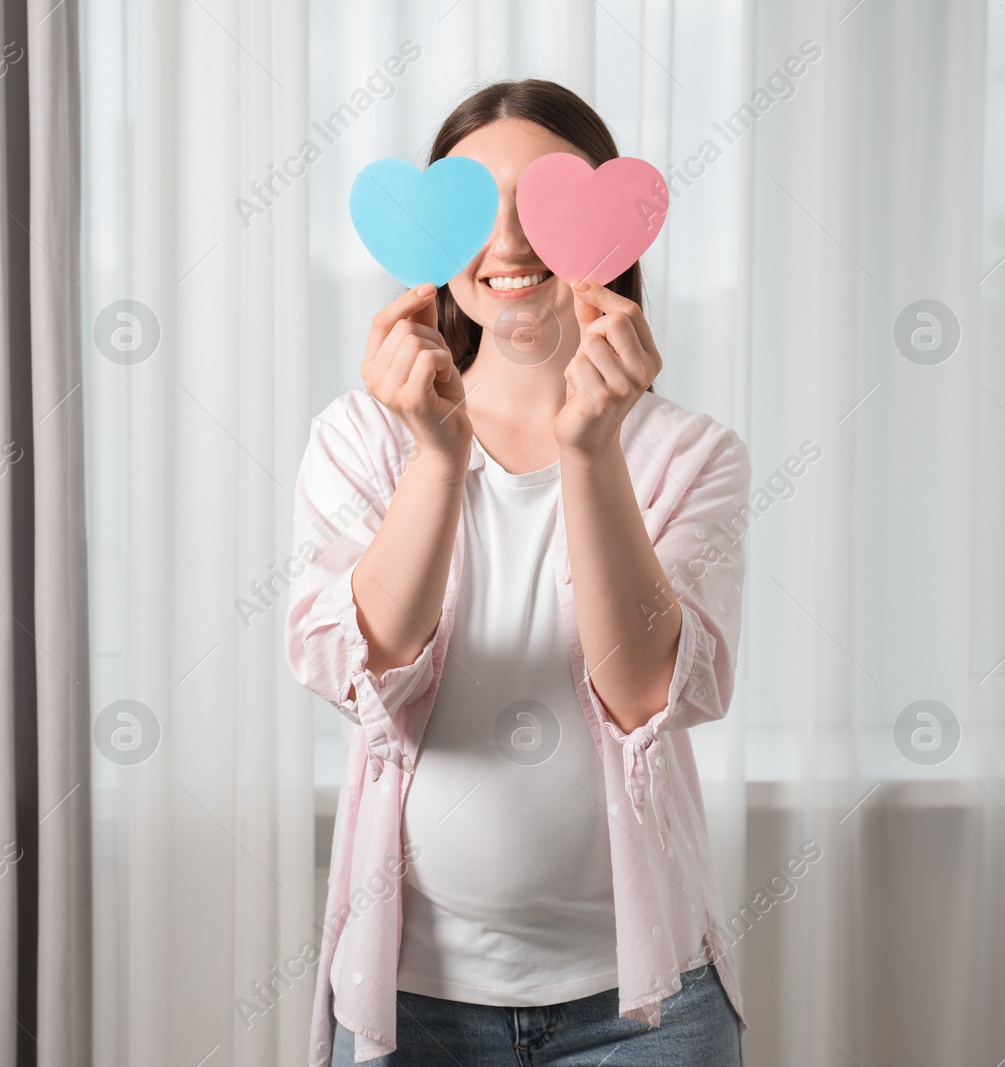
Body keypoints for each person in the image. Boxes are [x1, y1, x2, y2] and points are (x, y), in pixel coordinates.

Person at [284, 79, 753, 1066]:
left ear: (609, 233)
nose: (508, 244)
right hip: (409, 1005)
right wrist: (439, 456)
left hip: (645, 1012)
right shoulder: (358, 440)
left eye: (543, 201)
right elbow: (359, 665)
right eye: (473, 207)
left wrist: (591, 451)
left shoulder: (691, 456)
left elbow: (649, 693)